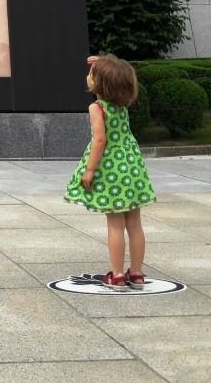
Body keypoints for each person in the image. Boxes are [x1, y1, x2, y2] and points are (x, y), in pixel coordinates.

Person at [65, 53, 156, 289]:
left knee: (115, 224)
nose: (88, 77)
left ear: (98, 83)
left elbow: (99, 140)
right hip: (131, 166)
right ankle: (136, 273)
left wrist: (89, 170)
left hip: (111, 168)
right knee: (134, 224)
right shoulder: (122, 105)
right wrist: (102, 64)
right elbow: (116, 77)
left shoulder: (97, 108)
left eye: (91, 75)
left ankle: (116, 275)